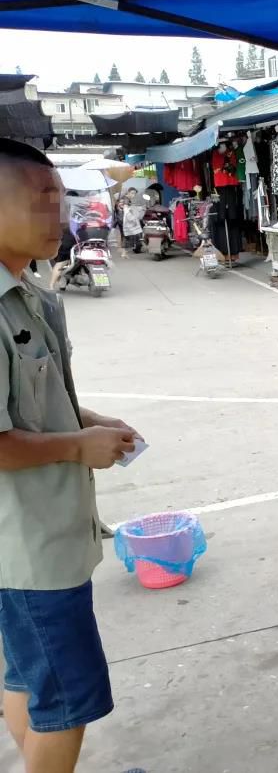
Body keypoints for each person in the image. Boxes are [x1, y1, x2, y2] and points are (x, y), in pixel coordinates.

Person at [0, 138, 139, 773]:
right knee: (67, 700)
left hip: (42, 539)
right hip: (28, 553)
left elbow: (38, 404)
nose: (63, 217)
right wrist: (80, 446)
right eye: (43, 203)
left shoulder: (33, 295)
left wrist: (91, 423)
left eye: (62, 201)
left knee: (28, 678)